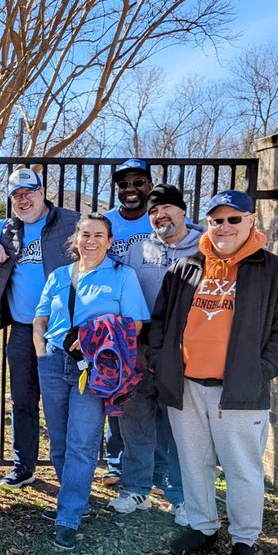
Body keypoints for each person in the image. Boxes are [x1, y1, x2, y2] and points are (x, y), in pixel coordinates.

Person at [145, 191, 278, 555]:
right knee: (193, 463)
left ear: (251, 220)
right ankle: (202, 528)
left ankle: (244, 538)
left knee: (242, 468)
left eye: (234, 219)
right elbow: (161, 321)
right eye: (217, 220)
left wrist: (260, 368)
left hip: (239, 390)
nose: (225, 227)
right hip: (185, 386)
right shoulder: (187, 267)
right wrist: (158, 360)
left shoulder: (274, 271)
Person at [0, 168, 79, 488]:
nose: (24, 200)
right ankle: (24, 466)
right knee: (23, 400)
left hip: (63, 330)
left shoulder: (70, 222)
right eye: (16, 196)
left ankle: (69, 473)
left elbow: (103, 235)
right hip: (23, 330)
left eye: (29, 193)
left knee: (62, 404)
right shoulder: (6, 228)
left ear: (42, 192)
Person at [33, 214, 149, 550]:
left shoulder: (122, 276)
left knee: (82, 443)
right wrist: (41, 350)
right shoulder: (59, 276)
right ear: (76, 238)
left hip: (93, 368)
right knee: (58, 442)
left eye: (99, 235)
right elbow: (40, 317)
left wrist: (96, 338)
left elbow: (136, 325)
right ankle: (76, 502)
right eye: (86, 234)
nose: (91, 241)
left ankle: (68, 517)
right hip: (54, 363)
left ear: (110, 241)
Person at [112, 184, 202, 519]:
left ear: (182, 210)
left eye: (166, 207)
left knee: (179, 426)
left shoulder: (205, 247)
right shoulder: (138, 250)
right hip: (141, 345)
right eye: (153, 211)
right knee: (135, 421)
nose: (159, 215)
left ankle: (181, 496)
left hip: (185, 347)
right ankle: (136, 490)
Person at [99, 157, 156, 487]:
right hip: (114, 329)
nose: (131, 189)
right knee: (116, 394)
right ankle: (116, 464)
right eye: (124, 184)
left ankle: (155, 465)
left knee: (152, 398)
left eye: (138, 182)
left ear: (149, 186)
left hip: (156, 323)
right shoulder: (105, 222)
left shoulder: (160, 219)